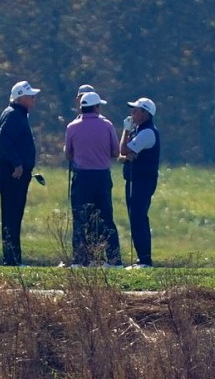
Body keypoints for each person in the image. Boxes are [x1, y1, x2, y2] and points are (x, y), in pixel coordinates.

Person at [63, 91, 122, 268]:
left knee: (81, 218)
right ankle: (114, 260)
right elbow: (115, 152)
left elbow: (68, 154)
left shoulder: (72, 127)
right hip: (102, 177)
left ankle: (80, 260)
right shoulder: (107, 125)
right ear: (96, 107)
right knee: (106, 218)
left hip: (82, 178)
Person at [0, 80, 40, 266]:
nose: (33, 99)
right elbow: (4, 142)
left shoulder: (18, 114)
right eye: (30, 96)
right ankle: (11, 259)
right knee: (12, 215)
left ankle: (13, 258)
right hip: (12, 172)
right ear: (20, 98)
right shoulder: (14, 115)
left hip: (16, 171)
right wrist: (17, 164)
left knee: (14, 215)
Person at [118, 97, 160, 269]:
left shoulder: (147, 132)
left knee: (138, 217)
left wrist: (125, 131)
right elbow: (122, 156)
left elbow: (123, 149)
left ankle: (145, 260)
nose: (132, 113)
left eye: (136, 110)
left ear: (145, 113)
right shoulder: (139, 130)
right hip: (133, 180)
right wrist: (126, 156)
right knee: (135, 217)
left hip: (143, 181)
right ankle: (141, 259)